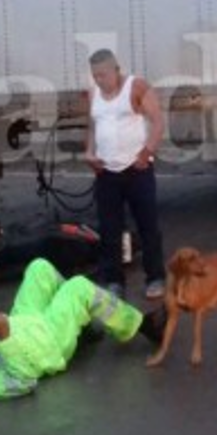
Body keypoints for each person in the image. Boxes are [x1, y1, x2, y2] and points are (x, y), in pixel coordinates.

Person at [0, 257, 165, 412]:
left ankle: (80, 324)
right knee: (79, 287)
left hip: (22, 321)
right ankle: (142, 326)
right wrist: (5, 339)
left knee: (40, 269)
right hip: (44, 345)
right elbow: (22, 383)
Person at [83, 48, 166, 300]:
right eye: (95, 75)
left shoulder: (136, 86)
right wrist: (89, 152)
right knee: (109, 229)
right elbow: (93, 124)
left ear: (116, 70)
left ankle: (155, 278)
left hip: (136, 170)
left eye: (103, 75)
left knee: (147, 225)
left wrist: (146, 152)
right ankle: (114, 281)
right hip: (107, 172)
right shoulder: (93, 93)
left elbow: (158, 121)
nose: (99, 80)